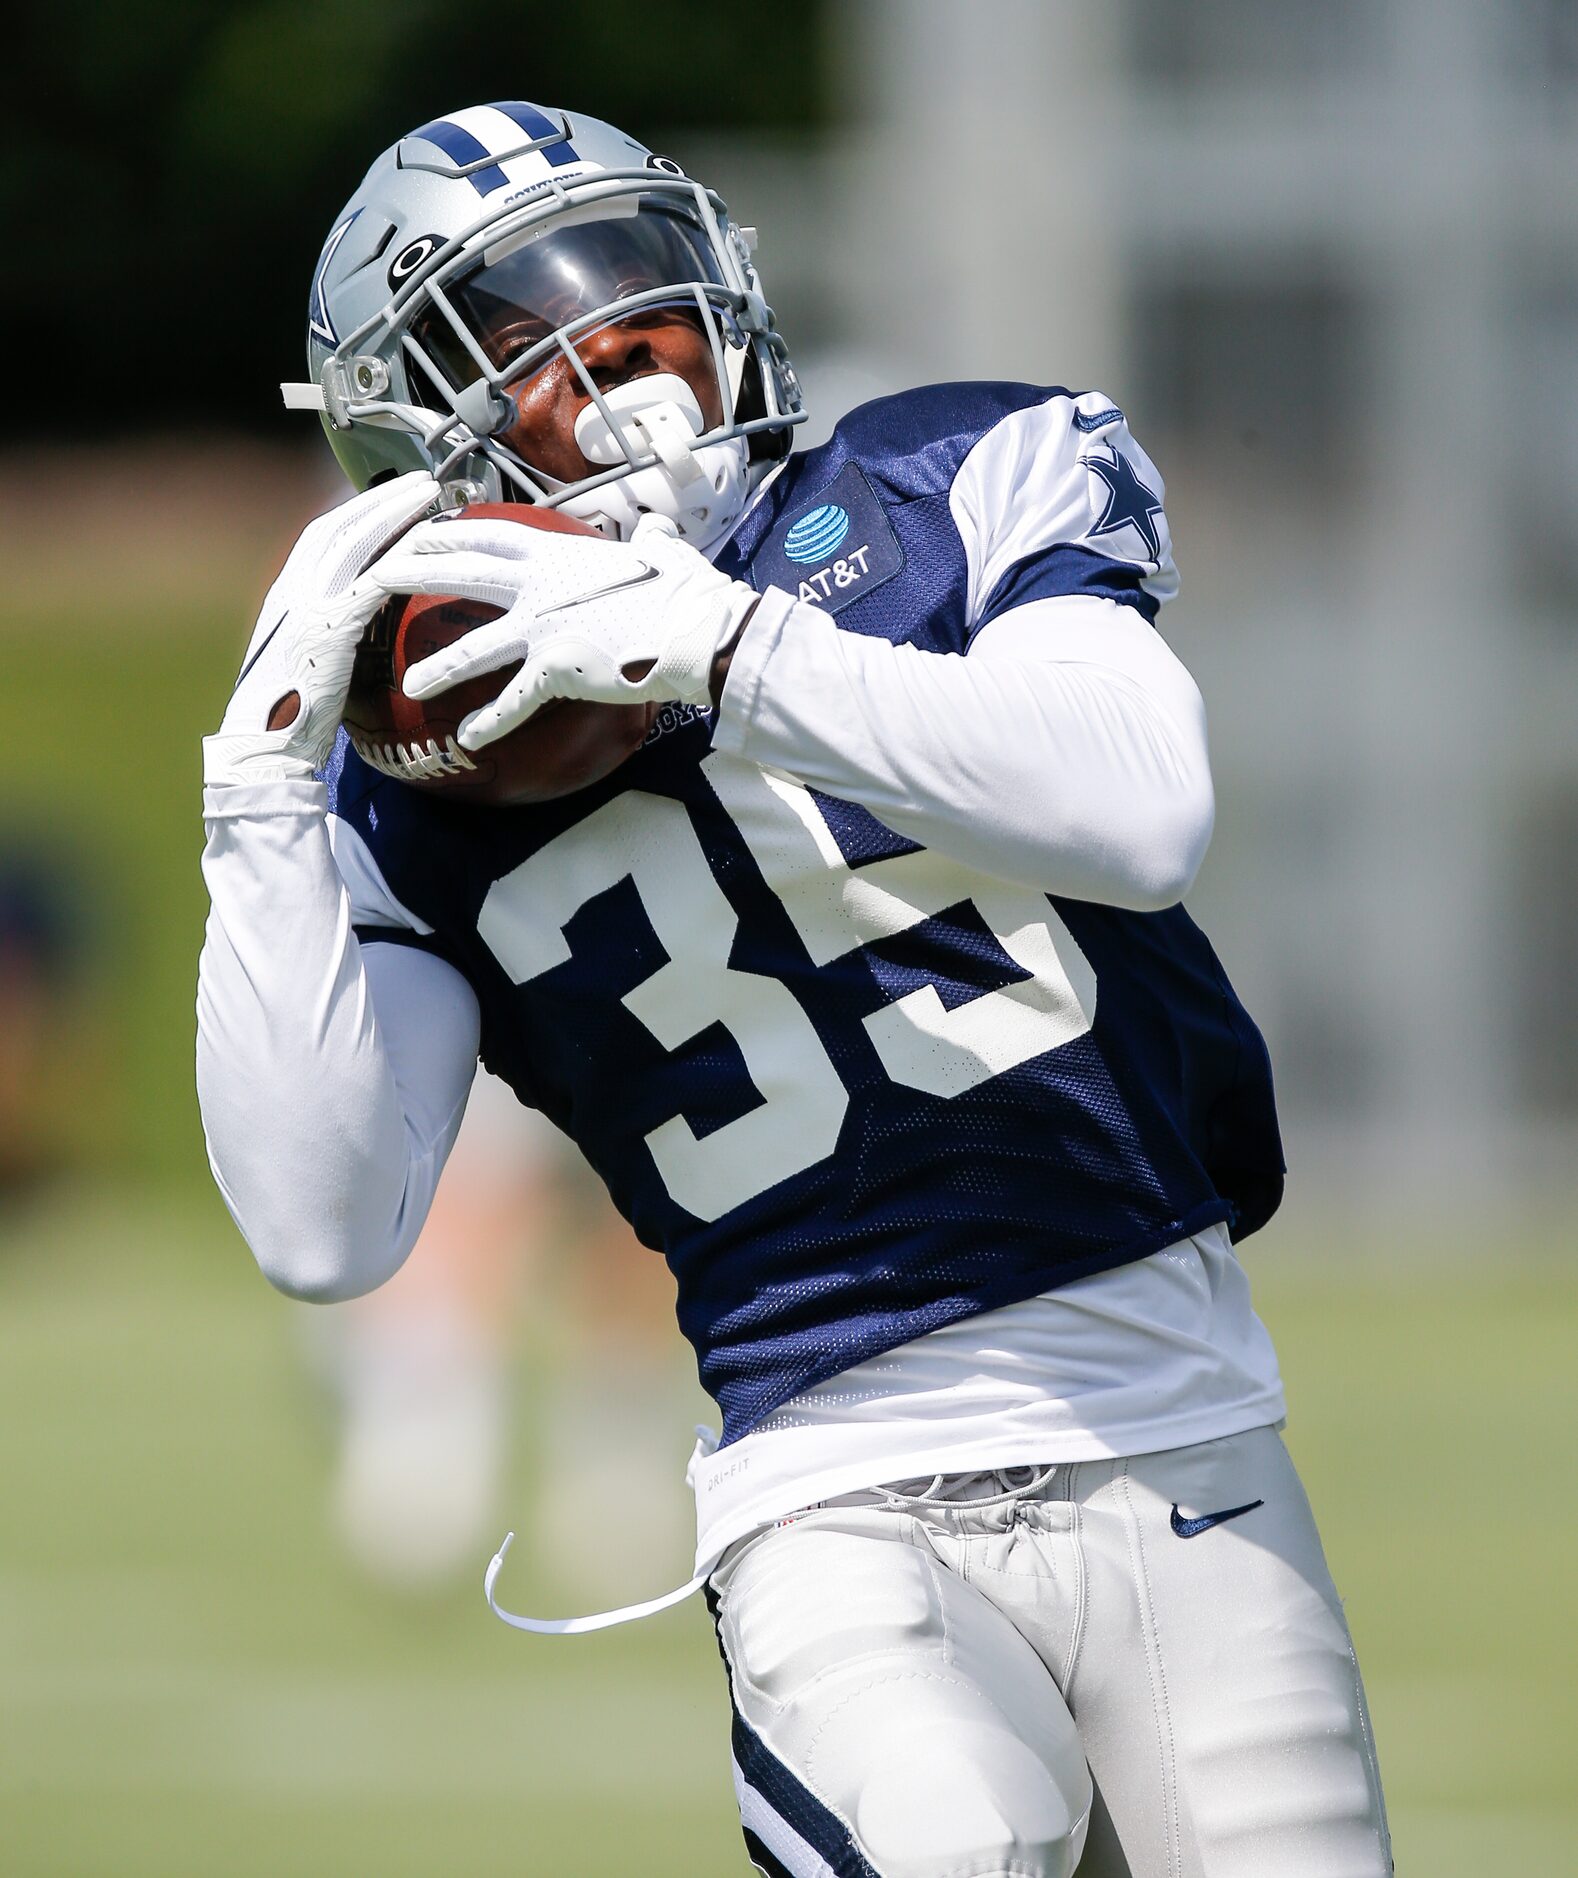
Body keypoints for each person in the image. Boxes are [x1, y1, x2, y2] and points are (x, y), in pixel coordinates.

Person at [196, 100, 1391, 1877]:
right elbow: (321, 1223)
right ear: (421, 432)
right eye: (528, 350)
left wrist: (732, 649)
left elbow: (1140, 810)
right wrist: (261, 799)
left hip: (1184, 1424)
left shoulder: (945, 474)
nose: (620, 376)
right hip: (826, 1479)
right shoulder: (425, 774)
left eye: (639, 303)